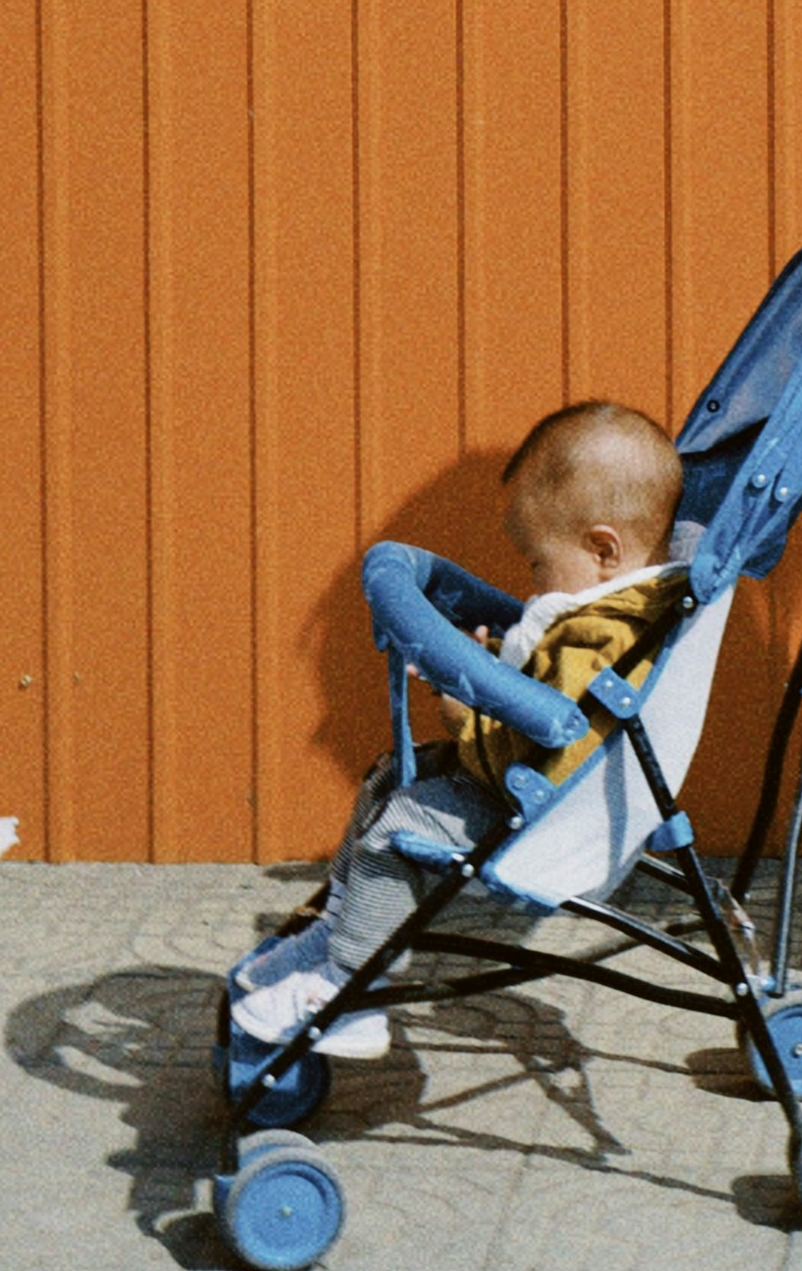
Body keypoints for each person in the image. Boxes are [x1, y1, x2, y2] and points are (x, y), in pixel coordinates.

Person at [228, 401, 692, 1058]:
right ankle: (342, 922)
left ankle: (349, 986)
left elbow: (548, 732)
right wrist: (503, 653)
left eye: (536, 563)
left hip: (535, 807)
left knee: (398, 832)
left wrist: (464, 710)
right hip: (531, 784)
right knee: (387, 776)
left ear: (602, 548)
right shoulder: (622, 605)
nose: (532, 584)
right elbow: (555, 688)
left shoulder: (605, 632)